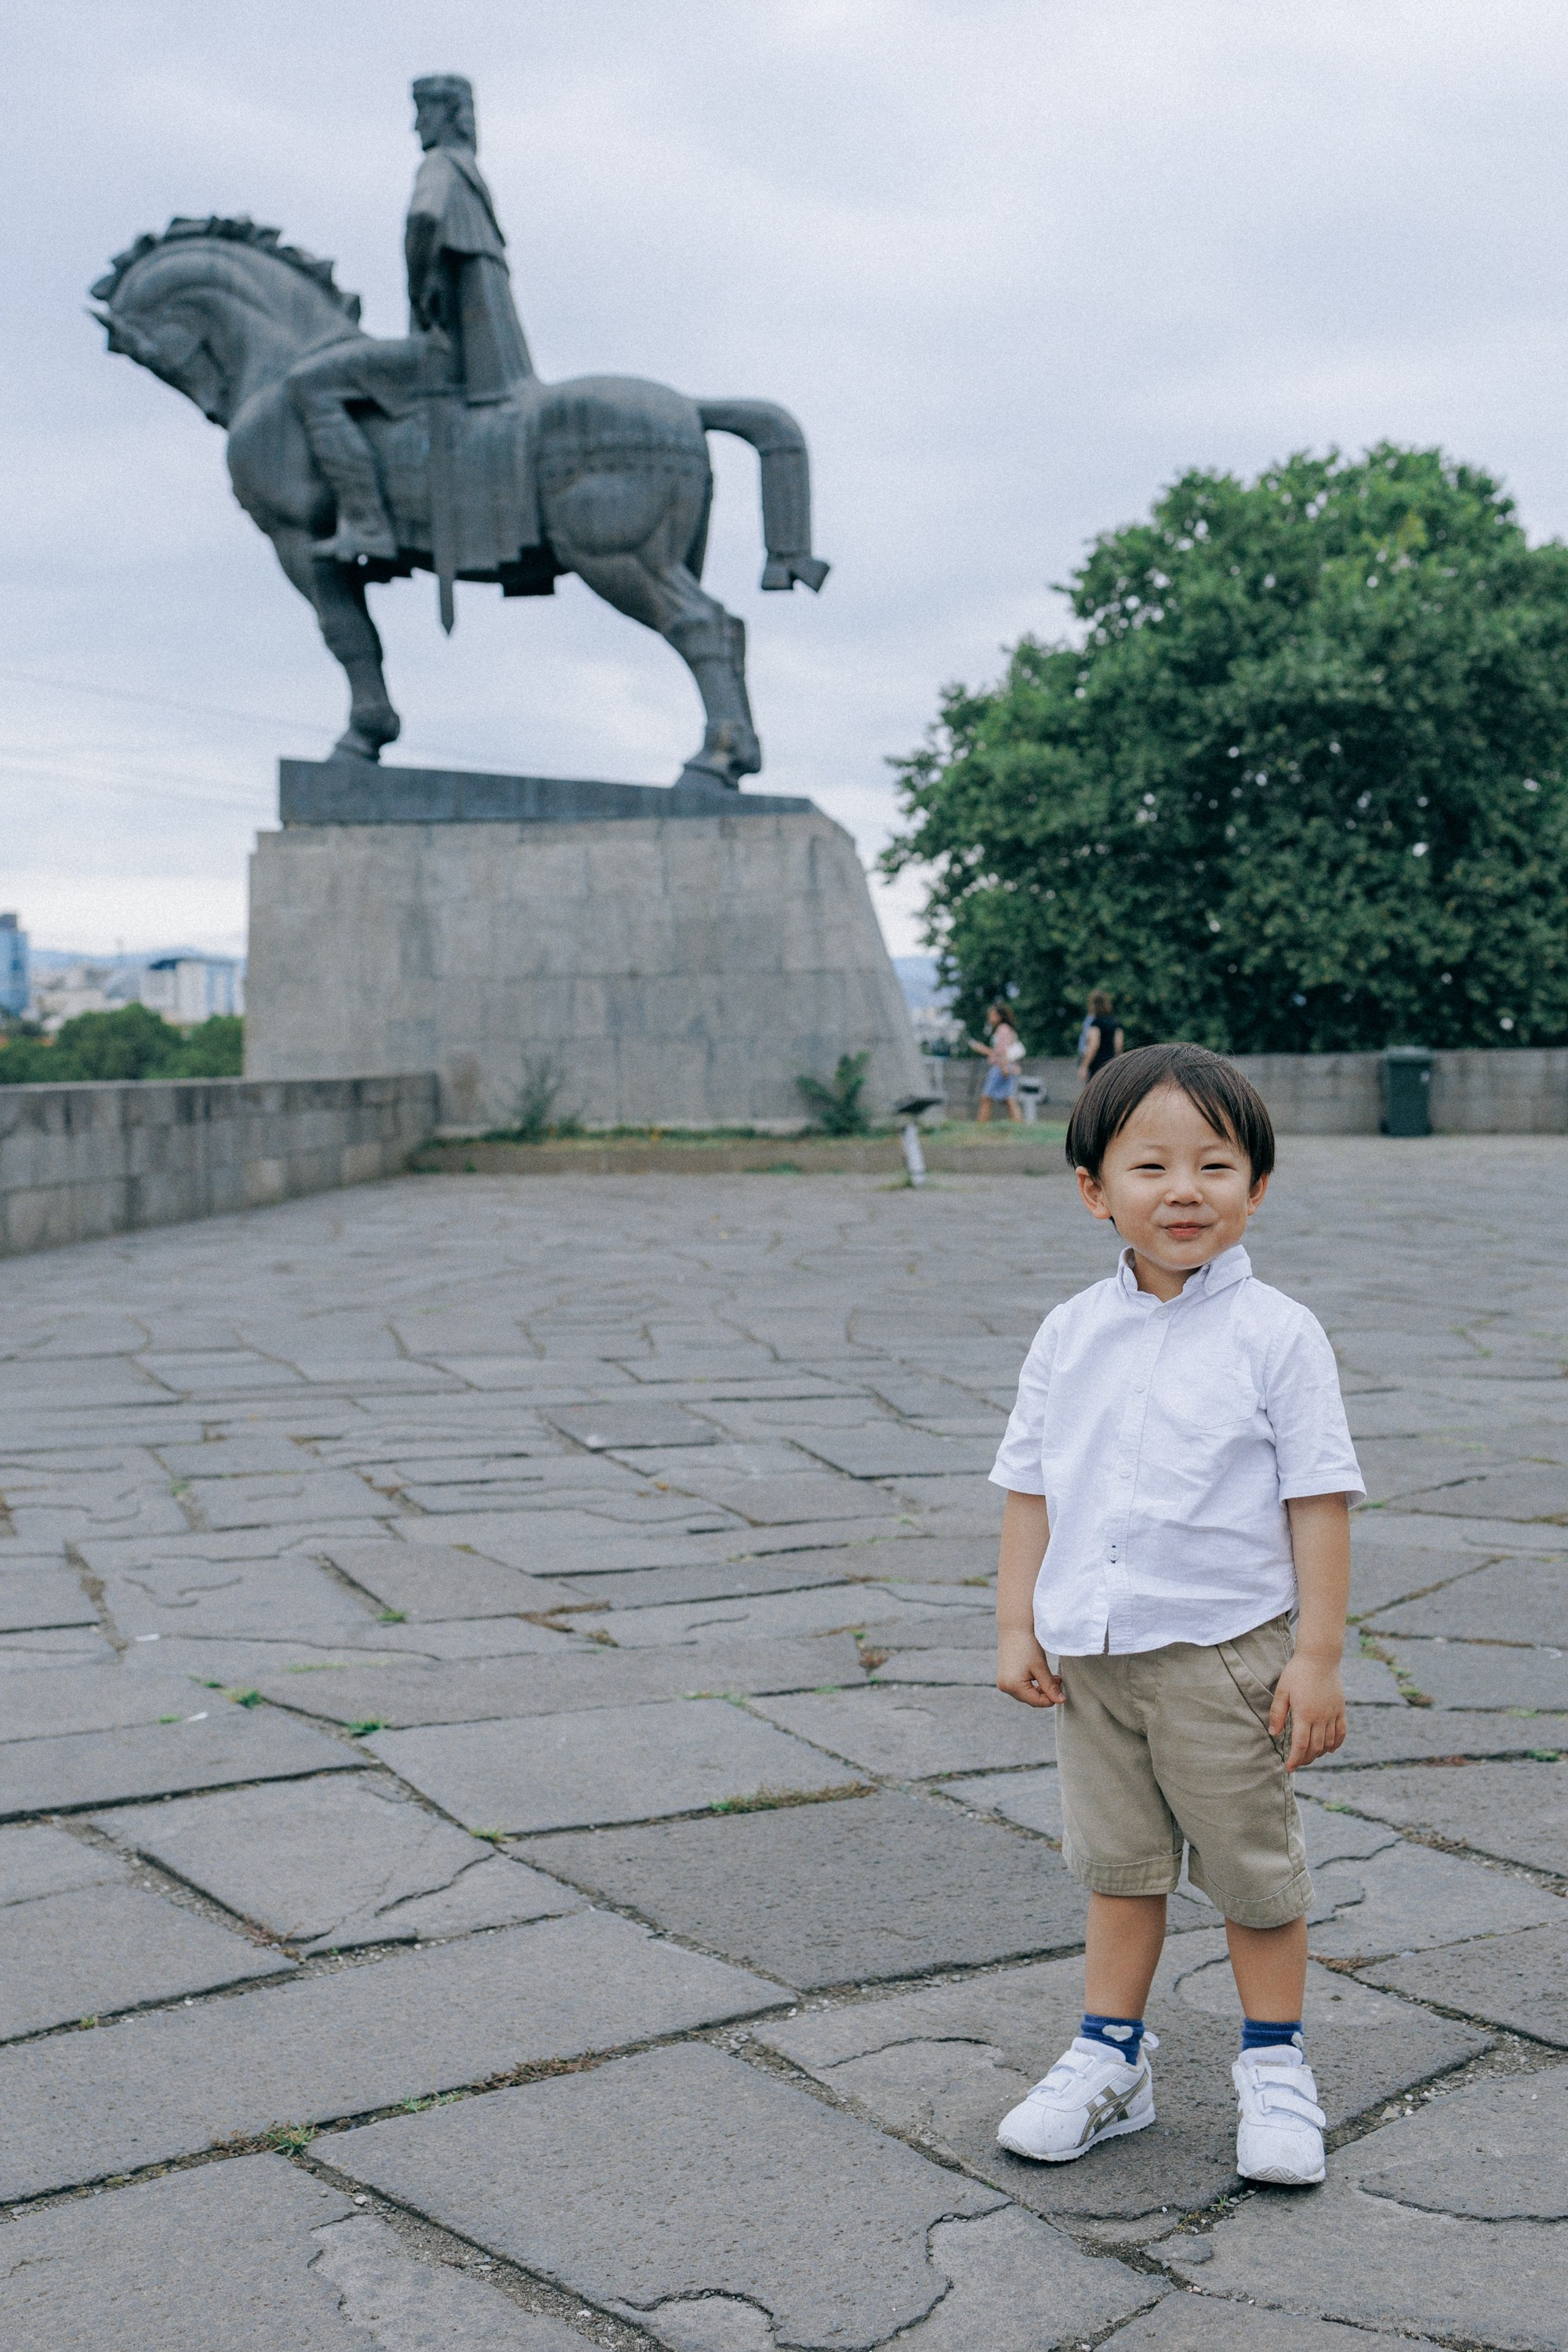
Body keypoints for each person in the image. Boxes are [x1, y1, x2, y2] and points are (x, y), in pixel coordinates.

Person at [989, 1042, 1362, 2187]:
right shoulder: (1069, 1331)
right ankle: (1112, 2058)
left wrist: (1317, 1655)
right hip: (1095, 1659)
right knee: (1120, 1868)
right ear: (1097, 1190)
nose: (1185, 1189)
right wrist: (1017, 1624)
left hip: (1226, 1656)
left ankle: (1274, 2064)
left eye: (1216, 1162)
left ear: (1258, 1185)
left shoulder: (1278, 1334)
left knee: (1254, 1873)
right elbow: (1030, 1485)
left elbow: (1319, 1496)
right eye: (1149, 1165)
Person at [286, 74, 533, 562]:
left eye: (423, 112)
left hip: (444, 351)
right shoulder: (471, 176)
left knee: (308, 382)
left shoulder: (439, 165)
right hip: (482, 356)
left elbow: (423, 218)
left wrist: (419, 287)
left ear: (446, 115)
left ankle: (367, 525)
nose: (415, 124)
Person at [970, 1002, 1025, 1123]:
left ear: (999, 1016)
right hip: (1006, 1066)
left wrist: (1004, 1067)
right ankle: (1019, 1124)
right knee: (1008, 1099)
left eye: (992, 1015)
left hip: (1001, 1067)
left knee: (986, 1097)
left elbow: (1003, 1051)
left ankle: (981, 1124)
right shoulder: (1004, 1029)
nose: (990, 1017)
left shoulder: (1003, 1029)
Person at [1078, 989, 1123, 1085]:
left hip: (1097, 1066)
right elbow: (1119, 1046)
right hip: (1111, 1064)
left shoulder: (1095, 1023)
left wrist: (1084, 1066)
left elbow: (1094, 1045)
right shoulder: (1115, 1023)